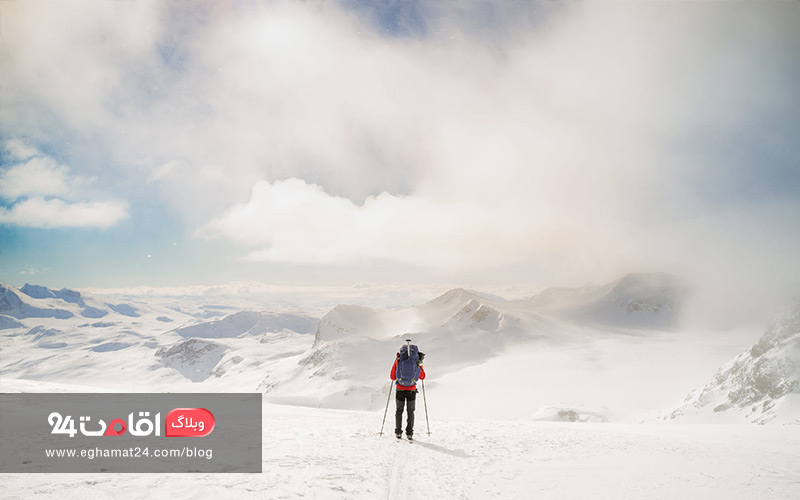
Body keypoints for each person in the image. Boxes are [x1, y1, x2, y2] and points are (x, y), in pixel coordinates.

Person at [390, 343, 425, 440]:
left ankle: (398, 432)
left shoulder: (398, 361)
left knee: (399, 411)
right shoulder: (416, 362)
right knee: (410, 412)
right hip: (412, 390)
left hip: (400, 389)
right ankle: (409, 433)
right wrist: (420, 365)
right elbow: (422, 376)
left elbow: (392, 376)